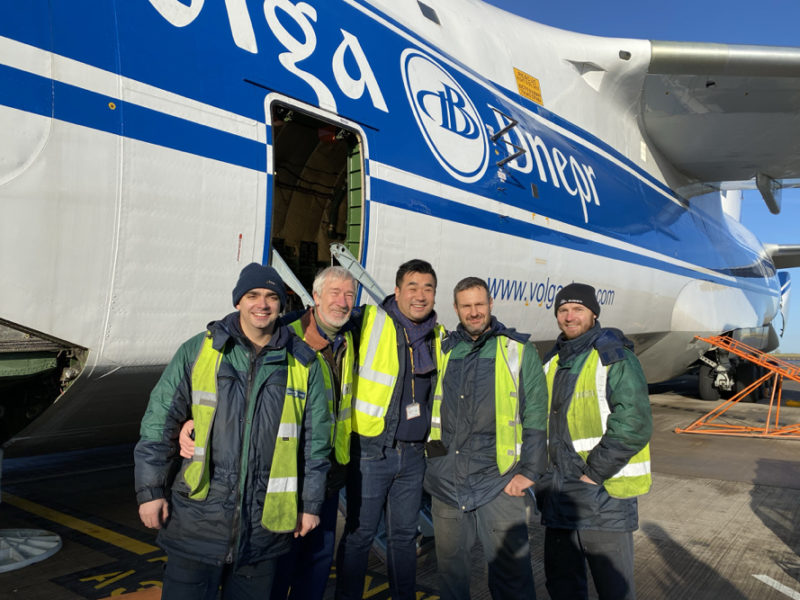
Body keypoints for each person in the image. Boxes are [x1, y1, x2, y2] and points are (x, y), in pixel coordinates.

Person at [134, 263, 331, 600]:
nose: (262, 304)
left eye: (271, 297)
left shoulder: (303, 364)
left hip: (263, 530)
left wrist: (310, 505)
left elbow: (316, 445)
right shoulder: (200, 351)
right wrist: (150, 491)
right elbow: (159, 422)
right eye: (252, 295)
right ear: (238, 301)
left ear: (282, 304)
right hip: (197, 522)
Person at [180, 266, 358, 599]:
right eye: (334, 293)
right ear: (315, 297)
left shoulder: (347, 337)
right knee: (277, 570)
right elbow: (230, 382)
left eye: (349, 294)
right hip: (283, 479)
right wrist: (188, 423)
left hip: (326, 472)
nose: (342, 302)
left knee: (315, 567)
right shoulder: (285, 336)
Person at [424, 276, 548, 600]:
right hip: (448, 481)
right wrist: (432, 466)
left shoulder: (518, 350)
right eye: (467, 306)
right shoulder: (445, 350)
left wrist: (528, 472)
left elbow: (536, 414)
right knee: (451, 579)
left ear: (491, 304)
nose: (474, 312)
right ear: (456, 309)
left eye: (480, 304)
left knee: (512, 579)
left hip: (499, 480)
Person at [335, 259, 446, 600]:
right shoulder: (368, 321)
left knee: (402, 539)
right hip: (372, 452)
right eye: (412, 287)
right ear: (396, 291)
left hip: (413, 457)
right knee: (359, 535)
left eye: (428, 288)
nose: (420, 295)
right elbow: (322, 331)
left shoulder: (437, 336)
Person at [536, 282, 652, 600]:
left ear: (594, 314)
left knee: (614, 590)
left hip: (603, 499)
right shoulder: (551, 363)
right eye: (563, 310)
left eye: (578, 309)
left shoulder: (614, 358)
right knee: (562, 587)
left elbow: (634, 424)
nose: (569, 316)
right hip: (560, 499)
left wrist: (591, 476)